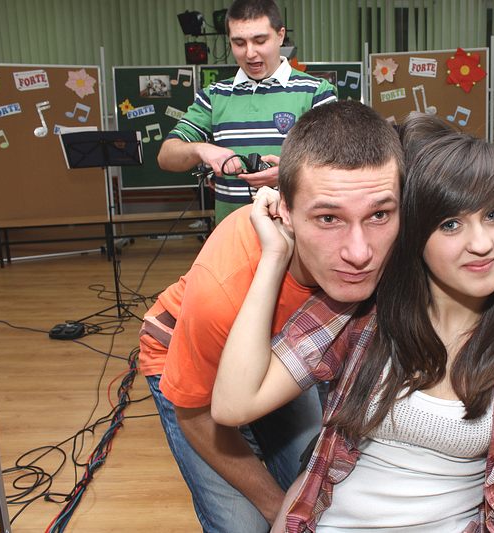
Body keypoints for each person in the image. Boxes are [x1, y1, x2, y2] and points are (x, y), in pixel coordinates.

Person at [213, 131, 494, 532]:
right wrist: (274, 256)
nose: (482, 244)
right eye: (451, 224)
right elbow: (234, 405)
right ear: (415, 234)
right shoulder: (364, 310)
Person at [139, 100, 403, 532]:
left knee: (320, 491)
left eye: (378, 214)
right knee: (248, 524)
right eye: (328, 218)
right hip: (186, 360)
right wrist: (276, 508)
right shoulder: (223, 290)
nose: (359, 254)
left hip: (280, 351)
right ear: (285, 212)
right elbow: (197, 414)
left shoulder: (395, 245)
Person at [157, 0, 337, 223]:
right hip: (231, 236)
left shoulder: (316, 92)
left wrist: (288, 173)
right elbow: (166, 157)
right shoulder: (214, 96)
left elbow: (340, 163)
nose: (250, 53)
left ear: (280, 36)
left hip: (295, 236)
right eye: (239, 43)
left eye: (260, 41)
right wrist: (201, 149)